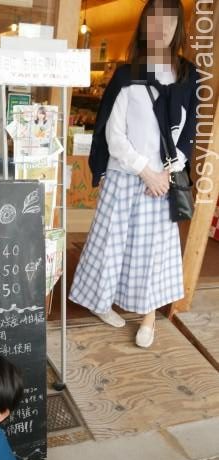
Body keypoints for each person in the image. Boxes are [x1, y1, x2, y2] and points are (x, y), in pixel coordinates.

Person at [68, 0, 198, 348]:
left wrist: (169, 173)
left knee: (153, 253)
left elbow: (187, 134)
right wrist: (145, 171)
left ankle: (148, 318)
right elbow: (113, 134)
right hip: (128, 176)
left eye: (169, 20)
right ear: (144, 25)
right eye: (154, 19)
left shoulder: (187, 75)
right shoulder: (129, 74)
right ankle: (101, 302)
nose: (162, 26)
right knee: (111, 246)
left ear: (178, 26)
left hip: (163, 181)